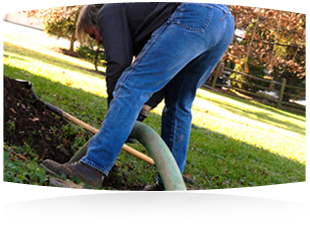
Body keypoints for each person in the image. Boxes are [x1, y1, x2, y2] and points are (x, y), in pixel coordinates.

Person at [41, 2, 234, 192]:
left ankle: (92, 167)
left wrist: (116, 112)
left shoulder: (108, 11)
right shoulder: (142, 16)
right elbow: (164, 76)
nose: (98, 42)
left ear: (96, 20)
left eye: (93, 35)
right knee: (179, 103)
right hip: (223, 23)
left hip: (197, 12)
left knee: (130, 85)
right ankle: (169, 183)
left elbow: (119, 64)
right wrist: (143, 108)